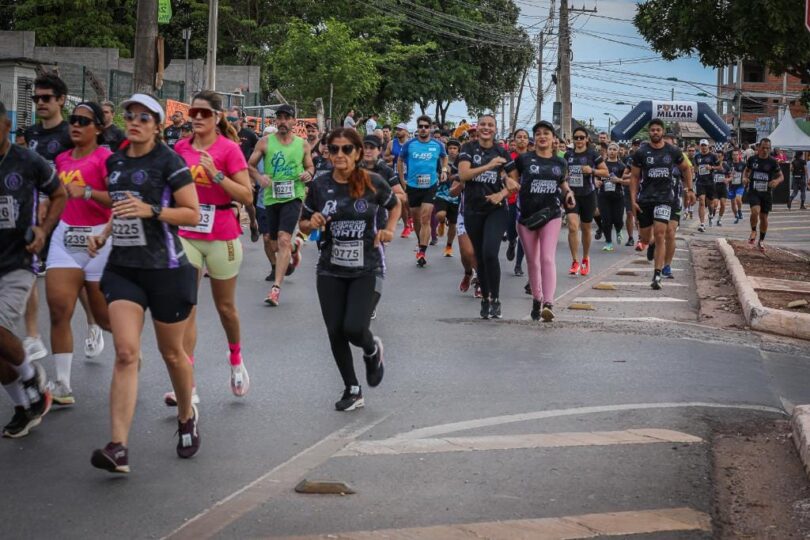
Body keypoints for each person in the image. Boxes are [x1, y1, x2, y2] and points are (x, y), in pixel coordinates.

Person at [88, 93, 200, 473]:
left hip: (166, 269)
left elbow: (191, 212)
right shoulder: (115, 161)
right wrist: (104, 233)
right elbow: (121, 205)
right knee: (124, 353)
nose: (134, 122)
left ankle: (187, 414)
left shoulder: (169, 162)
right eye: (130, 116)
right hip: (124, 268)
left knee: (173, 355)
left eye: (144, 118)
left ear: (156, 124)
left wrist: (152, 210)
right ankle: (118, 446)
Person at [299, 128, 400, 411]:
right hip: (330, 268)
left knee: (355, 328)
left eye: (346, 149)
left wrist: (389, 229)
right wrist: (313, 222)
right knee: (335, 331)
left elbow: (396, 205)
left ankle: (371, 350)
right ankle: (352, 388)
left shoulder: (373, 182)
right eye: (334, 150)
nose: (340, 155)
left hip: (367, 267)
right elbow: (303, 224)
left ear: (357, 153)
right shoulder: (319, 186)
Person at [169, 91, 254, 406]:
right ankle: (187, 384)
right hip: (187, 233)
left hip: (221, 234)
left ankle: (236, 360)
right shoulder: (180, 148)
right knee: (187, 305)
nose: (198, 118)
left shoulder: (229, 149)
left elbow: (246, 196)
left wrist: (216, 175)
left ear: (217, 117)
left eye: (205, 113)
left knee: (225, 308)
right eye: (194, 112)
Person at [0, 99, 63, 438]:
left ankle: (31, 375)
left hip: (17, 262)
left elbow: (60, 194)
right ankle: (24, 406)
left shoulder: (27, 161)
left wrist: (44, 228)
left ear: (6, 125)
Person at [47, 102, 113, 406]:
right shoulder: (61, 159)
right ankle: (62, 383)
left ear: (98, 128)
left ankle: (129, 351)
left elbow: (118, 199)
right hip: (65, 237)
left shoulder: (105, 158)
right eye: (73, 120)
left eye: (83, 121)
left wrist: (86, 192)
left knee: (103, 316)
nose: (75, 125)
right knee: (60, 309)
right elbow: (56, 195)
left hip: (99, 238)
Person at [506, 120, 573, 322]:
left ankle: (549, 303)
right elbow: (512, 181)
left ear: (554, 139)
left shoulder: (560, 162)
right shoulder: (524, 159)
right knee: (532, 261)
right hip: (526, 216)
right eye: (539, 133)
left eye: (547, 133)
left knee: (547, 258)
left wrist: (569, 194)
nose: (543, 136)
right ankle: (537, 298)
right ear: (535, 139)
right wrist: (505, 185)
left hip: (551, 214)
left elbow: (563, 184)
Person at [248, 104, 314, 306]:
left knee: (284, 239)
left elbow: (310, 166)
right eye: (280, 118)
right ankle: (295, 249)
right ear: (276, 121)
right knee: (274, 243)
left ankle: (276, 288)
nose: (283, 121)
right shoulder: (265, 142)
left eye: (287, 118)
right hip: (271, 197)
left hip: (293, 196)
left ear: (294, 121)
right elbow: (249, 165)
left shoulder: (302, 144)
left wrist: (308, 173)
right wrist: (259, 178)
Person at [457, 114, 516, 319]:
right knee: (480, 257)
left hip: (496, 209)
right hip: (473, 209)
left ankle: (496, 298)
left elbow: (514, 182)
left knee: (490, 253)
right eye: (483, 124)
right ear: (478, 127)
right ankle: (484, 298)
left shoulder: (502, 151)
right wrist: (489, 166)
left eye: (490, 125)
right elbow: (464, 175)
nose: (486, 128)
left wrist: (501, 193)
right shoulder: (468, 149)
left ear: (495, 129)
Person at [629, 119, 694, 290]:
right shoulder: (641, 153)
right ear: (649, 132)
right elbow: (634, 177)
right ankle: (648, 243)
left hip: (666, 198)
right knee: (645, 237)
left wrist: (690, 189)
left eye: (658, 130)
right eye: (652, 130)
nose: (655, 133)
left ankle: (657, 274)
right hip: (645, 198)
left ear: (662, 132)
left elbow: (686, 168)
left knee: (661, 233)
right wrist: (633, 199)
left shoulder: (672, 151)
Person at [398, 115, 448, 267]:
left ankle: (422, 252)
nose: (424, 129)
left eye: (426, 126)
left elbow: (444, 157)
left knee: (426, 218)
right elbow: (400, 160)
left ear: (431, 128)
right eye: (421, 126)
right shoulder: (410, 144)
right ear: (417, 128)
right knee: (417, 219)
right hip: (413, 186)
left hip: (430, 185)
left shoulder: (437, 145)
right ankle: (421, 243)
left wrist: (444, 170)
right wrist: (402, 181)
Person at [564, 127, 608, 276]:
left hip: (588, 194)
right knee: (572, 226)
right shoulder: (567, 155)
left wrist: (592, 171)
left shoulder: (592, 154)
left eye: (581, 137)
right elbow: (563, 174)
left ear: (587, 139)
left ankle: (585, 258)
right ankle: (575, 260)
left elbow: (606, 172)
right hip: (572, 195)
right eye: (576, 137)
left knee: (586, 228)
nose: (579, 140)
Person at [743, 138, 784, 252]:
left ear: (770, 149)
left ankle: (761, 240)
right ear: (758, 148)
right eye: (763, 148)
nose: (765, 150)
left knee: (764, 217)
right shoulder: (752, 159)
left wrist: (776, 181)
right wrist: (745, 178)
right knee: (755, 211)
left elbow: (781, 176)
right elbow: (746, 171)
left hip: (766, 193)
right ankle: (753, 230)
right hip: (754, 191)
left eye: (768, 148)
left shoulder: (773, 161)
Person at [227, 107, 261, 243]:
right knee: (233, 207)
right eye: (227, 119)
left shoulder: (249, 135)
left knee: (249, 205)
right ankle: (231, 236)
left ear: (240, 120)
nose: (229, 122)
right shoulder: (223, 134)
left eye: (232, 119)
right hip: (229, 176)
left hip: (245, 175)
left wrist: (253, 177)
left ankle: (253, 224)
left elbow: (260, 153)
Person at [598, 142, 628, 251]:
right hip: (603, 196)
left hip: (618, 196)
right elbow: (595, 177)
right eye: (610, 149)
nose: (612, 151)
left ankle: (619, 230)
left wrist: (618, 180)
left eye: (614, 149)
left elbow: (627, 181)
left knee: (618, 219)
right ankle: (609, 242)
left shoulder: (621, 166)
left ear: (618, 151)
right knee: (606, 220)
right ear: (607, 151)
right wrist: (597, 182)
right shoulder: (602, 164)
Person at [434, 139, 461, 258]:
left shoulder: (462, 162)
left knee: (453, 224)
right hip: (441, 193)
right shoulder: (441, 161)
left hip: (456, 196)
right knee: (440, 215)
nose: (452, 151)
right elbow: (435, 173)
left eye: (455, 148)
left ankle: (449, 246)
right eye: (450, 148)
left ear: (459, 150)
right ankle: (440, 222)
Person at [384, 123, 413, 237]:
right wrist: (389, 158)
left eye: (400, 130)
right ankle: (407, 226)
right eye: (397, 129)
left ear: (406, 131)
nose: (398, 131)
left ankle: (411, 218)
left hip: (410, 175)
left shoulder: (412, 144)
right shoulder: (392, 143)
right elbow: (385, 156)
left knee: (409, 201)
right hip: (396, 175)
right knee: (401, 200)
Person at [506, 129, 528, 274]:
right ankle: (511, 242)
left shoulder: (533, 156)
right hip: (511, 198)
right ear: (514, 140)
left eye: (525, 137)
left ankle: (518, 265)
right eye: (519, 137)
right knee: (511, 231)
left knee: (524, 233)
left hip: (527, 200)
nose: (522, 139)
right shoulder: (509, 157)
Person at [693, 139, 722, 232]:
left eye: (705, 145)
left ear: (708, 146)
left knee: (710, 204)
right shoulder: (697, 156)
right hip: (700, 182)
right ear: (700, 146)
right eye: (702, 145)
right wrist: (695, 174)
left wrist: (711, 167)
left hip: (710, 182)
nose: (704, 147)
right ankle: (702, 224)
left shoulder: (713, 156)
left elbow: (720, 167)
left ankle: (710, 214)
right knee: (701, 201)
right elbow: (696, 168)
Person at [728, 149, 746, 223]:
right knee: (732, 203)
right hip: (731, 186)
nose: (735, 156)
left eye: (737, 155)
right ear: (732, 156)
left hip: (740, 185)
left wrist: (745, 179)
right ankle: (736, 216)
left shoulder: (743, 164)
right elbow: (726, 172)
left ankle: (739, 210)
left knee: (738, 199)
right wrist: (729, 174)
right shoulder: (729, 164)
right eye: (734, 155)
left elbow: (747, 172)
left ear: (739, 155)